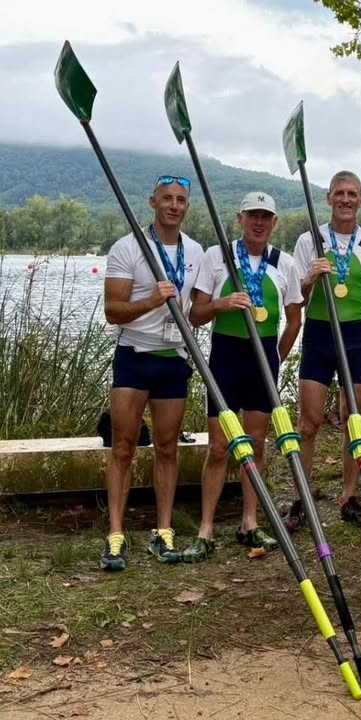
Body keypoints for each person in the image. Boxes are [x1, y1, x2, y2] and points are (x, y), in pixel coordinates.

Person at [183, 192, 303, 562]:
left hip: (262, 360)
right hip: (225, 357)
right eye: (253, 215)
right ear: (240, 218)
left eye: (266, 217)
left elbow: (294, 319)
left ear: (274, 222)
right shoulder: (217, 256)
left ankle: (249, 522)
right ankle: (205, 529)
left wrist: (276, 358)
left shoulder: (284, 263)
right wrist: (222, 304)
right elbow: (195, 315)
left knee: (256, 444)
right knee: (219, 447)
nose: (259, 223)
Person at [99, 175, 204, 571]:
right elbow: (113, 311)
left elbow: (198, 308)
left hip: (174, 358)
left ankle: (163, 531)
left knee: (167, 447)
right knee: (123, 446)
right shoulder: (128, 247)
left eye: (180, 200)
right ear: (152, 202)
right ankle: (115, 535)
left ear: (187, 206)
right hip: (134, 354)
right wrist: (151, 301)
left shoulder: (195, 250)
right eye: (167, 199)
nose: (174, 206)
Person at [290, 171, 361, 527]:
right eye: (339, 193)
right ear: (329, 198)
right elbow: (296, 300)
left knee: (354, 419)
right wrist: (309, 279)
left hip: (356, 337)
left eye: (352, 194)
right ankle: (300, 498)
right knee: (308, 423)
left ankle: (349, 496)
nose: (346, 200)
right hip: (319, 334)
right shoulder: (310, 240)